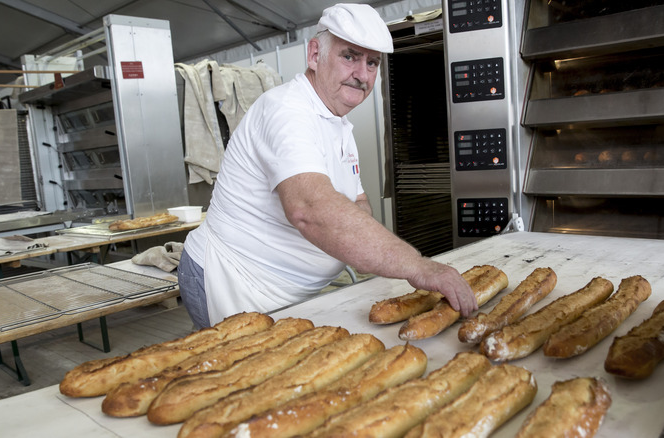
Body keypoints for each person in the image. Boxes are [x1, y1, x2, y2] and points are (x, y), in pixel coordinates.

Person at [178, 3, 477, 328]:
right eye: (349, 56)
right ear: (314, 54)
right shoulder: (287, 111)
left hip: (294, 292)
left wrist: (373, 250)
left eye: (372, 62)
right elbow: (310, 209)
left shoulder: (337, 122)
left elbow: (357, 203)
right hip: (238, 282)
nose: (362, 74)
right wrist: (418, 266)